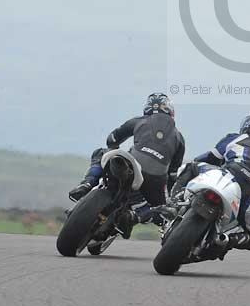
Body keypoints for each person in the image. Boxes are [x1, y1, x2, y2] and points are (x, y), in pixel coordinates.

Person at [68, 93, 185, 236]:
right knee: (160, 213)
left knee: (100, 152)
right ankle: (136, 216)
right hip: (156, 181)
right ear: (170, 110)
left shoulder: (140, 121)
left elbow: (112, 139)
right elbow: (173, 174)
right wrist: (170, 198)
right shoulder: (179, 138)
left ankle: (87, 183)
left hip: (132, 166)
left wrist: (114, 148)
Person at [172, 112, 250, 254]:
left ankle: (173, 202)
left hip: (229, 177)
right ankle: (228, 239)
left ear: (245, 127)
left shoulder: (235, 138)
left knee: (190, 167)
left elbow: (208, 158)